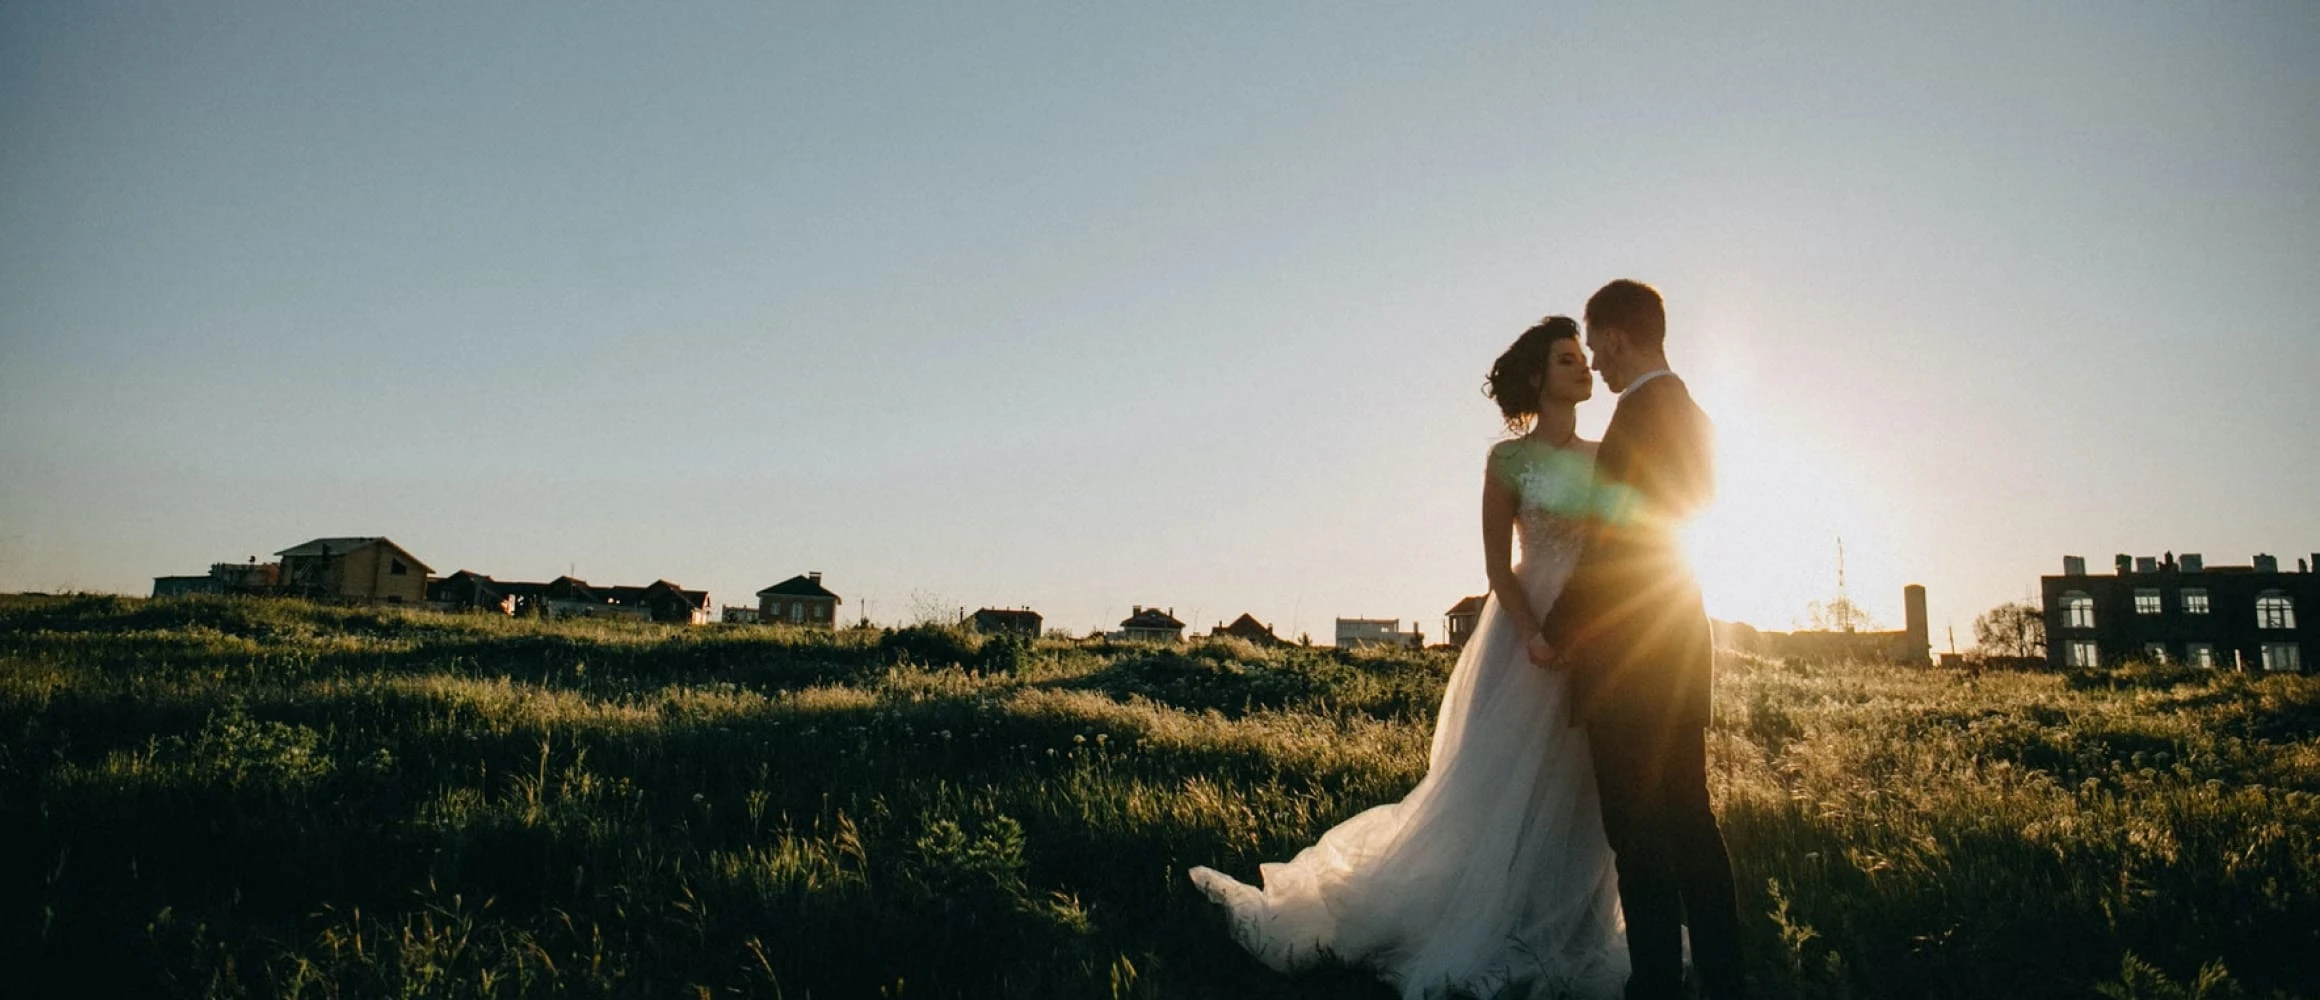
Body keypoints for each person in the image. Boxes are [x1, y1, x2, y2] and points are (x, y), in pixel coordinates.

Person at [1188, 315, 1628, 999]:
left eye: (1584, 358)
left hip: (1597, 631)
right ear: (1539, 377)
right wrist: (1536, 634)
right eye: (1569, 359)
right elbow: (1498, 568)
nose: (1585, 368)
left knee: (1584, 788)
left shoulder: (1608, 455)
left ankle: (1572, 929)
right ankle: (1491, 919)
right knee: (1503, 787)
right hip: (1525, 639)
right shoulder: (1507, 462)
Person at [1537, 279, 1745, 999]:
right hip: (1682, 645)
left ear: (1619, 337)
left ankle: (1654, 984)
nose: (1597, 361)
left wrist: (1557, 628)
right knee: (1691, 820)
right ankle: (1725, 978)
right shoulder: (1695, 415)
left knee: (1637, 835)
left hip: (1630, 659)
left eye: (1597, 346)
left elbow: (1615, 544)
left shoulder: (1634, 418)